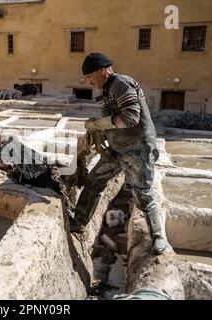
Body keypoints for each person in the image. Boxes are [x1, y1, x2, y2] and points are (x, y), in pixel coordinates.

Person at [70, 52, 167, 255]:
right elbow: (112, 122)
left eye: (90, 76)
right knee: (94, 181)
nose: (88, 81)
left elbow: (130, 117)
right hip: (117, 150)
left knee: (143, 195)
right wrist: (100, 135)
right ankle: (78, 223)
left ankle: (158, 237)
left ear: (102, 71)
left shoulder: (121, 84)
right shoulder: (106, 90)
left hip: (137, 150)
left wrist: (97, 124)